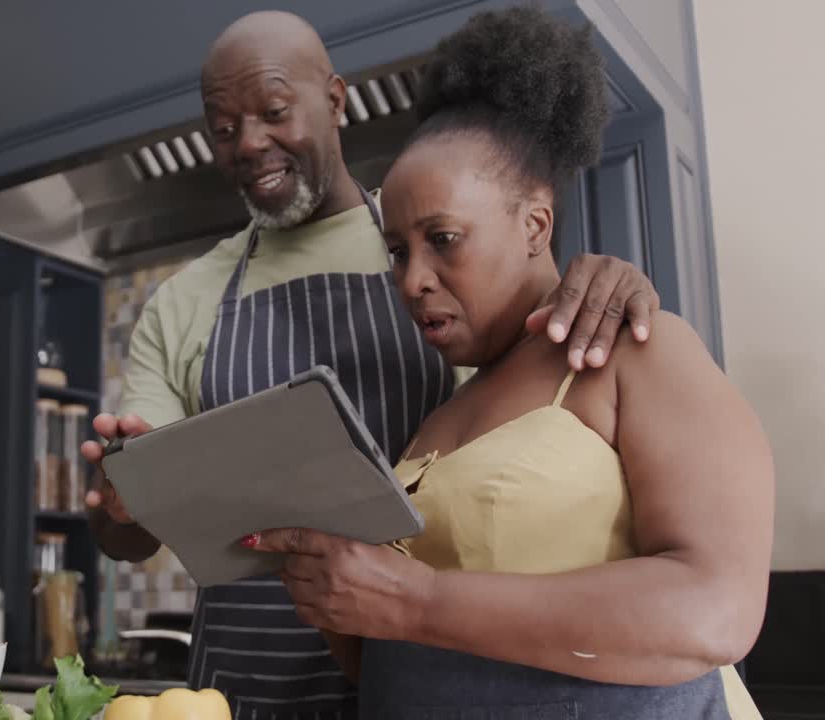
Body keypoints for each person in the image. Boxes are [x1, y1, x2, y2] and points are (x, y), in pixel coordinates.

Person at [84, 10, 664, 717]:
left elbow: (546, 370)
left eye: (272, 111)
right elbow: (132, 533)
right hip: (235, 694)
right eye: (223, 127)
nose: (249, 143)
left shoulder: (433, 237)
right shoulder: (184, 300)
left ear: (334, 100)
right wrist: (121, 498)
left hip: (421, 673)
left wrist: (612, 279)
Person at [243, 7, 772, 718]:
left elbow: (717, 610)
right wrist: (333, 588)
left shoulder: (633, 350)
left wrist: (417, 598)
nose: (413, 279)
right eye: (398, 251)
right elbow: (388, 649)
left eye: (445, 238)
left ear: (534, 225)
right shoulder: (438, 420)